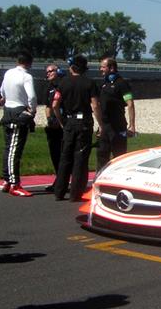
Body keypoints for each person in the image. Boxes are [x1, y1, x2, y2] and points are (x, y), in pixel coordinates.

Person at [52, 55, 102, 202]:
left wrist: (62, 121)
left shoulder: (63, 83)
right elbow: (94, 105)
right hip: (84, 122)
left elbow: (55, 104)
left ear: (72, 67)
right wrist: (101, 123)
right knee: (80, 158)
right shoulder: (90, 83)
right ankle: (75, 193)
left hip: (69, 121)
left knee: (65, 156)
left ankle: (59, 191)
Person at [0, 51, 37, 197]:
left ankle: (7, 179)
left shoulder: (8, 73)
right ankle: (14, 183)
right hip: (18, 111)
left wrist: (4, 97)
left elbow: (2, 90)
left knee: (8, 147)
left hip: (7, 110)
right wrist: (32, 110)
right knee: (15, 149)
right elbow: (32, 96)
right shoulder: (26, 76)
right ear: (29, 63)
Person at [96, 57, 136, 171]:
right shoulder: (104, 83)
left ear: (112, 68)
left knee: (119, 157)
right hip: (104, 126)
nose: (100, 69)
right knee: (101, 156)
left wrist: (132, 125)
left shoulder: (122, 83)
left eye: (103, 67)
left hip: (117, 127)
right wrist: (99, 126)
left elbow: (130, 104)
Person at [44, 63, 65, 192]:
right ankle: (59, 178)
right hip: (54, 125)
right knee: (55, 153)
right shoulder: (49, 88)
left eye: (51, 71)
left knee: (64, 154)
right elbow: (47, 106)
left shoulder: (64, 85)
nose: (48, 73)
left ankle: (62, 180)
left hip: (64, 123)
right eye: (47, 72)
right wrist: (49, 120)